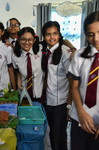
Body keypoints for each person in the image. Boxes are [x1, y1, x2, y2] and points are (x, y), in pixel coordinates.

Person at [68, 11, 99, 150]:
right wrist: (80, 112)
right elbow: (74, 86)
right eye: (91, 35)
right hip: (79, 118)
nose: (96, 39)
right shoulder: (80, 55)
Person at [41, 21, 72, 150]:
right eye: (48, 34)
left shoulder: (65, 53)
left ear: (59, 35)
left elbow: (72, 81)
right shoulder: (44, 51)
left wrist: (69, 105)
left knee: (57, 134)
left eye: (55, 34)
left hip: (60, 102)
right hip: (47, 100)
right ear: (44, 36)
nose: (52, 37)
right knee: (53, 133)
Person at [12, 27, 42, 102]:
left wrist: (72, 48)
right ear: (18, 40)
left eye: (30, 39)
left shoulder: (40, 50)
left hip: (39, 94)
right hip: (24, 94)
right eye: (23, 39)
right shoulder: (16, 56)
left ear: (34, 40)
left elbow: (60, 41)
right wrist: (19, 84)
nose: (27, 42)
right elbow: (18, 71)